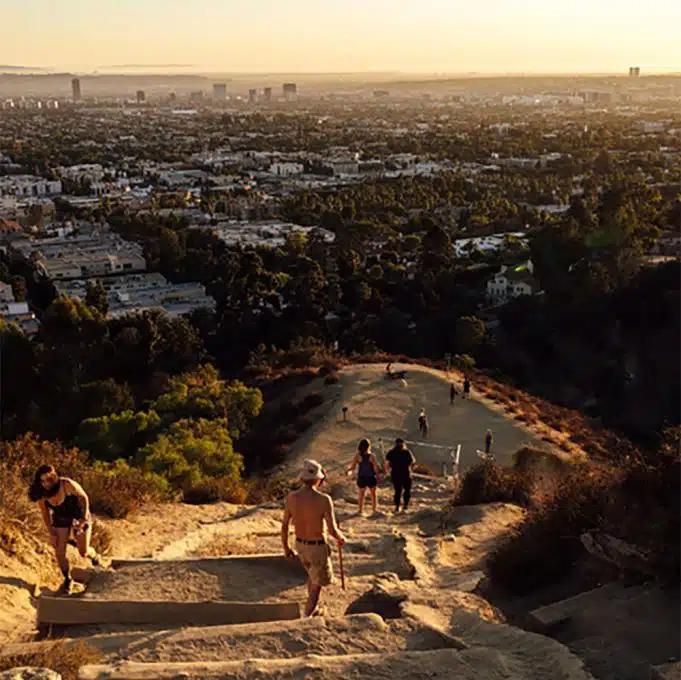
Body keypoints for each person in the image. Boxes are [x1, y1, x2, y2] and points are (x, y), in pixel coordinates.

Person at [281, 459, 346, 617]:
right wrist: (341, 537)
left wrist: (286, 548)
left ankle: (312, 610)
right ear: (319, 479)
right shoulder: (324, 500)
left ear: (302, 478)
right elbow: (332, 529)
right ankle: (306, 618)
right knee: (317, 586)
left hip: (300, 545)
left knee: (313, 577)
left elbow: (284, 526)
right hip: (317, 547)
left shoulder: (291, 497)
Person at [29, 465, 100, 592]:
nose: (51, 481)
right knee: (59, 552)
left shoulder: (66, 484)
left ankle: (94, 556)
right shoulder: (42, 495)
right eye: (47, 479)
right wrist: (51, 533)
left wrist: (84, 518)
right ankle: (67, 579)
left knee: (82, 551)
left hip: (79, 516)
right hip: (61, 519)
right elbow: (45, 514)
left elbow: (84, 498)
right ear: (41, 482)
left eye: (53, 477)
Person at [348, 439, 380, 515]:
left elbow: (352, 467)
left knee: (361, 495)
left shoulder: (357, 456)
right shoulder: (372, 456)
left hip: (362, 477)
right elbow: (375, 468)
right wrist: (378, 475)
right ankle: (374, 510)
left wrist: (348, 471)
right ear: (368, 446)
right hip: (371, 477)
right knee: (373, 495)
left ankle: (360, 510)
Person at [385, 438, 416, 513]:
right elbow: (413, 462)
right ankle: (405, 506)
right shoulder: (407, 452)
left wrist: (387, 472)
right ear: (403, 444)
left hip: (395, 474)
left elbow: (386, 463)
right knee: (407, 491)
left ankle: (397, 507)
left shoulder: (391, 452)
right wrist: (411, 469)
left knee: (398, 491)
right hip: (406, 473)